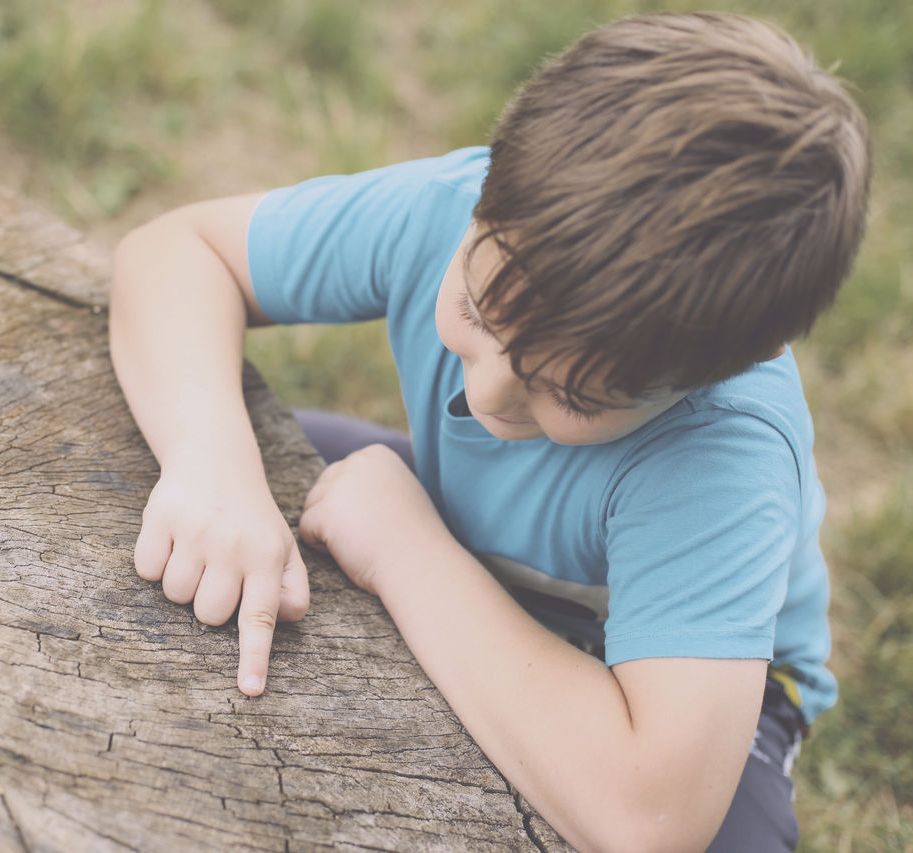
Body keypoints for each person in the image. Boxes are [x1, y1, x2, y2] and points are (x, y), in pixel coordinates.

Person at [108, 12, 869, 852]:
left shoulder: (724, 452)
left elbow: (650, 814)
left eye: (570, 394)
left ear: (730, 363)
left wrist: (409, 553)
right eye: (475, 308)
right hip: (469, 522)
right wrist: (211, 463)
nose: (489, 392)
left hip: (702, 680)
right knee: (254, 442)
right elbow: (176, 252)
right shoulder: (450, 209)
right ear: (492, 185)